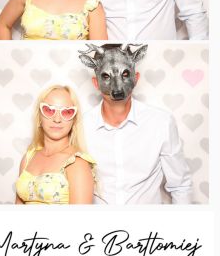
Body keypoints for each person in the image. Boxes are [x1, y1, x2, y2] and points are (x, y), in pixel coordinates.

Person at [79, 43, 192, 204]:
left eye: (125, 74)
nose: (117, 88)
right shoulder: (80, 126)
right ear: (96, 83)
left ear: (136, 78)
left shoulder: (161, 122)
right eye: (106, 76)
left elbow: (180, 186)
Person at [15, 84, 94, 205]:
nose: (57, 119)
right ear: (39, 116)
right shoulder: (28, 158)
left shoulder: (77, 163)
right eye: (49, 110)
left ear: (74, 120)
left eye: (67, 112)